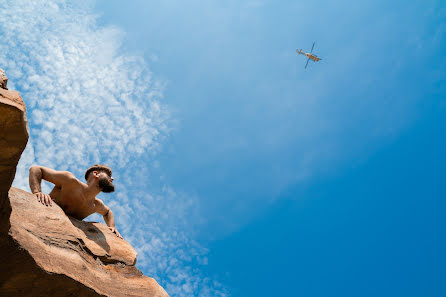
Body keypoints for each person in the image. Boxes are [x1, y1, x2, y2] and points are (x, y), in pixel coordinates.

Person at [29, 164, 122, 238]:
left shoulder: (95, 204)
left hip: (60, 236)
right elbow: (36, 169)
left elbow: (108, 212)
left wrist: (112, 227)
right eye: (109, 176)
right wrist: (37, 192)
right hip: (37, 222)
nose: (112, 179)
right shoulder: (70, 181)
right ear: (96, 174)